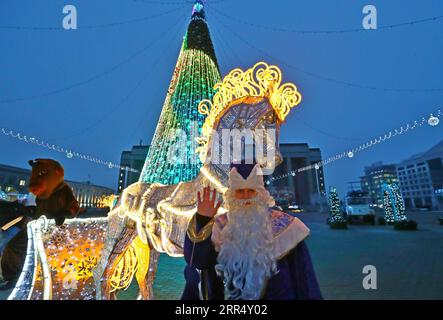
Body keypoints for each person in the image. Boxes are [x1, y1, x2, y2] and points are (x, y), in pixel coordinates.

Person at [181, 163, 322, 300]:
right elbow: (198, 261)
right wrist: (202, 220)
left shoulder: (288, 226)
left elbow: (304, 278)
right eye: (240, 191)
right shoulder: (221, 227)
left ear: (261, 194)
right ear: (232, 196)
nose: (246, 196)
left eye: (251, 190)